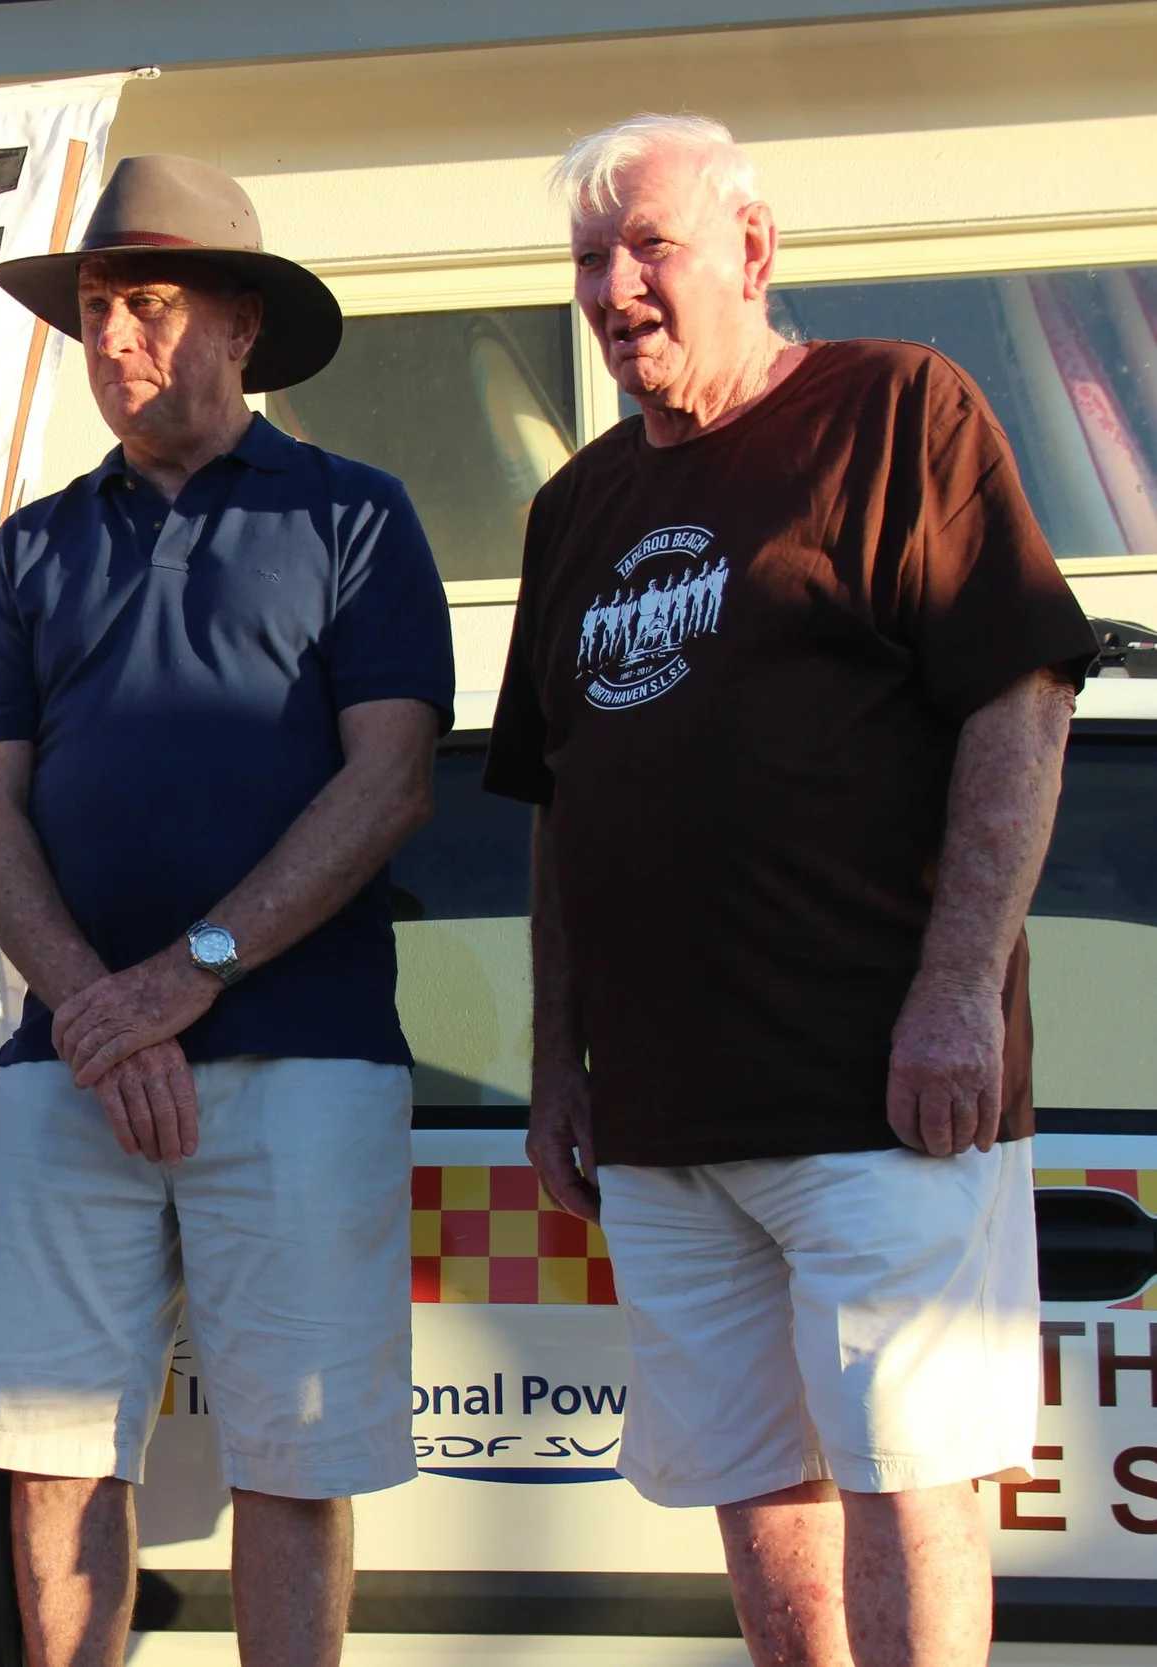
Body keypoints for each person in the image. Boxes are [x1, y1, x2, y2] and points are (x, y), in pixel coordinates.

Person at [484, 113, 1098, 1667]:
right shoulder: (575, 508)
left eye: (651, 246)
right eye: (589, 259)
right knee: (759, 1499)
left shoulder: (897, 408)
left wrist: (957, 992)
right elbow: (559, 803)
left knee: (906, 1479)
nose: (614, 288)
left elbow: (1021, 699)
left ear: (752, 250)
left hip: (880, 1091)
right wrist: (557, 1058)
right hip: (666, 1116)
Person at [0, 155, 455, 1667]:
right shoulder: (33, 543)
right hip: (70, 1070)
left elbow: (393, 780)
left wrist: (186, 974)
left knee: (293, 1456)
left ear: (242, 323)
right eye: (96, 307)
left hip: (303, 1055)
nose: (113, 337)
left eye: (151, 304)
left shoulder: (357, 513)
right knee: (51, 1454)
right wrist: (100, 1015)